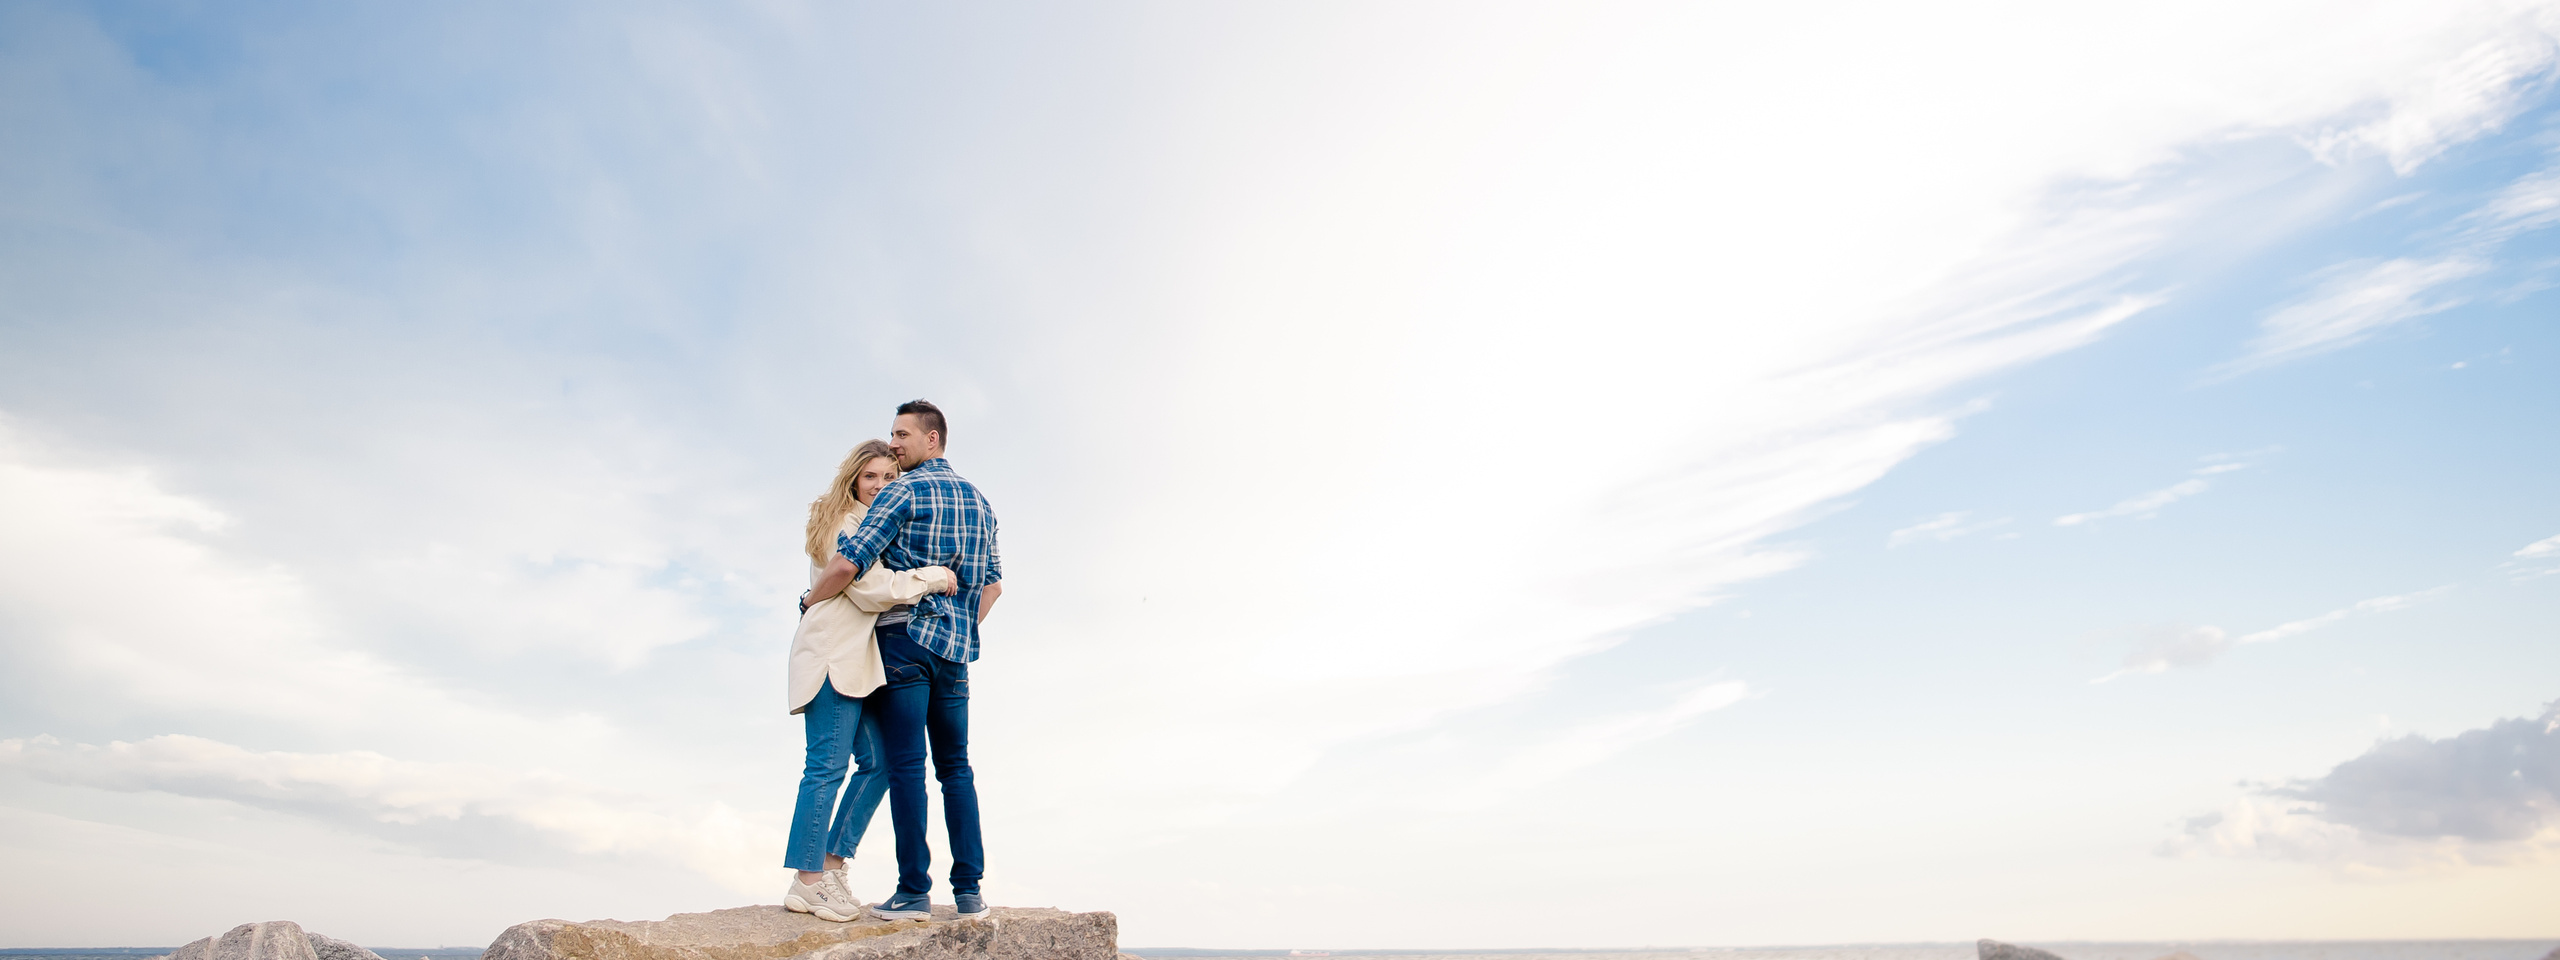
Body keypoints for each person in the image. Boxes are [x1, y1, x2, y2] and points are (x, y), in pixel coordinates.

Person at [829, 399, 1003, 921]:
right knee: (957, 769)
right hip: (955, 654)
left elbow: (852, 560)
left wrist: (812, 600)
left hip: (903, 643)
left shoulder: (902, 491)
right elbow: (992, 587)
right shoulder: (981, 501)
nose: (895, 443)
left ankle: (913, 891)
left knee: (907, 767)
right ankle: (969, 892)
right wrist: (960, 627)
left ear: (933, 439)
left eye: (902, 435)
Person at [780, 439, 958, 923]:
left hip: (855, 662)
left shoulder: (868, 522)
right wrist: (935, 577)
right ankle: (808, 881)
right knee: (825, 768)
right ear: (854, 480)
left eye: (889, 479)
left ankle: (832, 863)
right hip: (833, 655)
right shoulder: (847, 522)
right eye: (871, 478)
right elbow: (869, 589)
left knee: (878, 763)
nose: (881, 487)